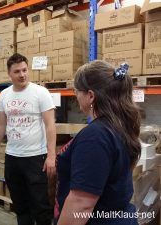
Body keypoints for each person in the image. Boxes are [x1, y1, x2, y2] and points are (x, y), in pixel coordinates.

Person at [55, 60, 141, 225]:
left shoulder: (96, 136)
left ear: (91, 95)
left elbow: (81, 204)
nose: (76, 96)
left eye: (77, 91)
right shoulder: (119, 125)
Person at [0, 53, 56, 225]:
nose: (22, 74)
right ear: (9, 74)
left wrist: (51, 156)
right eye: (17, 71)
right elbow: (1, 124)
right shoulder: (4, 95)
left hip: (35, 158)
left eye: (25, 70)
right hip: (13, 157)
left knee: (40, 206)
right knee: (20, 205)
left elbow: (50, 125)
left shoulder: (41, 93)